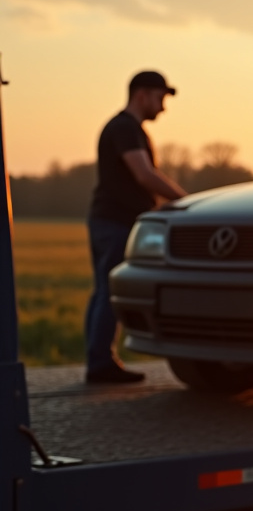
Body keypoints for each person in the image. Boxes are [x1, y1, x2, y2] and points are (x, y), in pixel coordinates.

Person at [84, 70, 187, 384]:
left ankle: (97, 358)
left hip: (108, 220)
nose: (163, 107)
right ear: (141, 95)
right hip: (115, 223)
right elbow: (144, 175)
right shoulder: (125, 129)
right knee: (110, 291)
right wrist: (186, 202)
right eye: (160, 98)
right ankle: (100, 363)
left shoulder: (123, 128)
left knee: (104, 289)